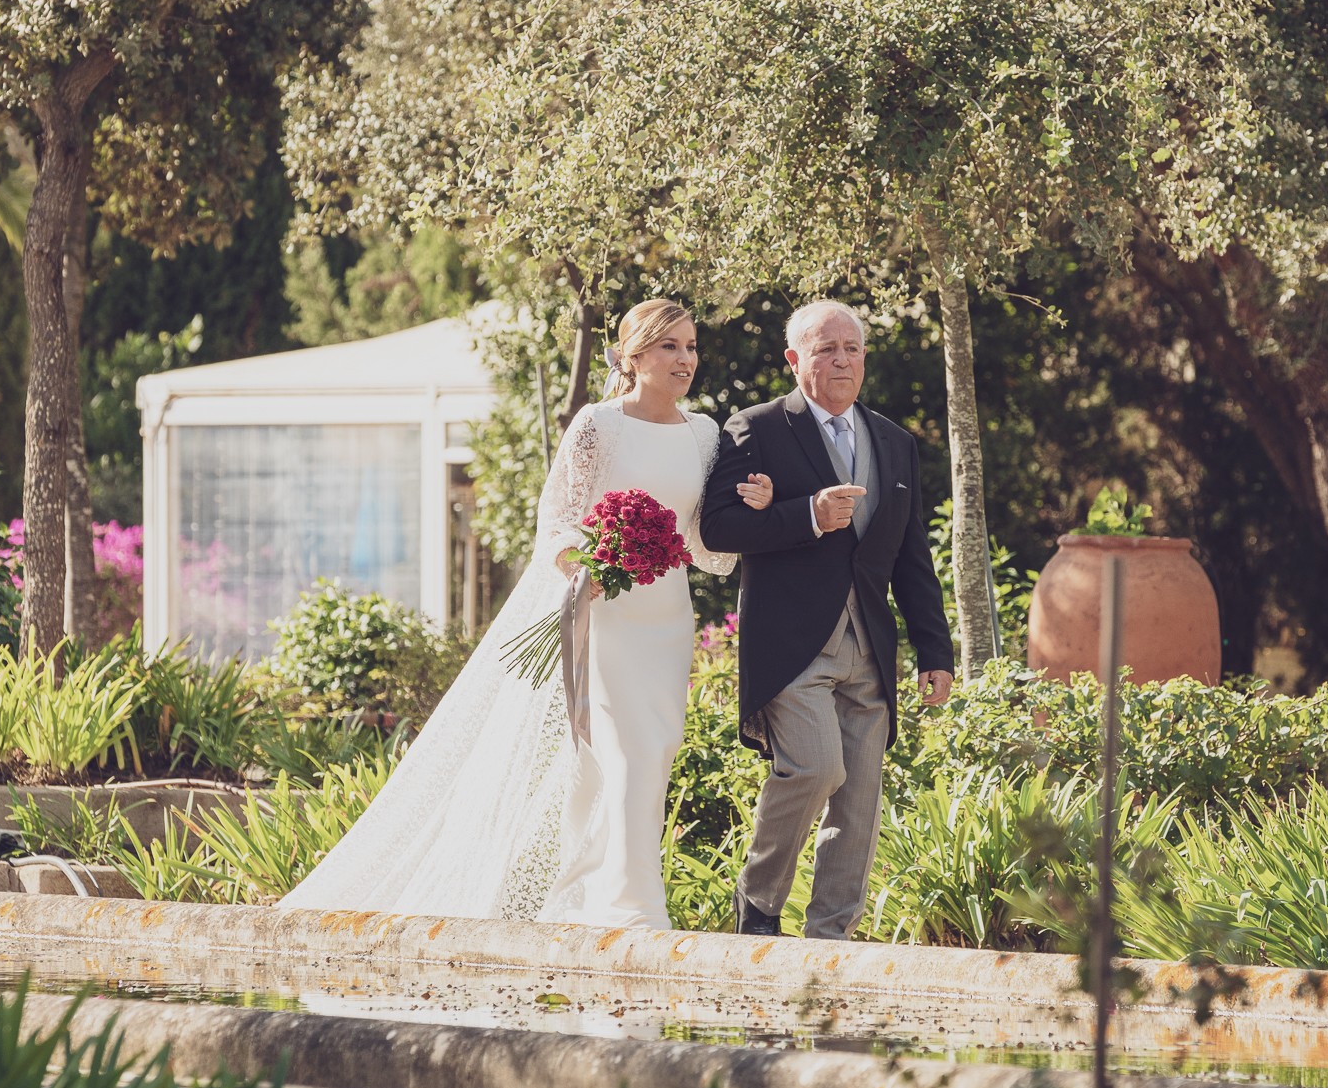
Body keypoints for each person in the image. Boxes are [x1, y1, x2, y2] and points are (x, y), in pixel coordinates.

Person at [280, 299, 768, 927]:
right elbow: (558, 521)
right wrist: (586, 565)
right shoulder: (598, 425)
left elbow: (702, 542)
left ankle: (584, 896)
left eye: (692, 347)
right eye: (670, 346)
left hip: (667, 621)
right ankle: (633, 913)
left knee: (647, 753)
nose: (685, 360)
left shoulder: (704, 435)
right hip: (605, 617)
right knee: (630, 754)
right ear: (636, 354)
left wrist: (753, 509)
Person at [699, 300, 955, 941]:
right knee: (816, 769)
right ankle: (757, 908)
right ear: (794, 360)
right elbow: (719, 528)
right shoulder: (754, 430)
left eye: (852, 348)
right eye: (824, 348)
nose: (841, 359)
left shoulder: (895, 443)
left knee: (859, 802)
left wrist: (936, 652)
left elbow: (911, 555)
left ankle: (831, 939)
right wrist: (806, 514)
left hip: (870, 647)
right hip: (791, 645)